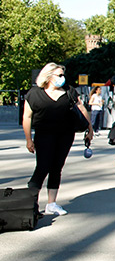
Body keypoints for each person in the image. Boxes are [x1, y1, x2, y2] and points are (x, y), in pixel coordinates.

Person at [22, 63, 93, 216]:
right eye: (59, 75)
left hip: (65, 135)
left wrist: (90, 128)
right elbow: (27, 117)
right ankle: (30, 203)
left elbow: (81, 108)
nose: (63, 78)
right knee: (42, 167)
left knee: (57, 167)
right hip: (44, 135)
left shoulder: (69, 91)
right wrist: (28, 139)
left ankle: (51, 204)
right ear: (48, 76)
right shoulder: (34, 94)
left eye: (63, 75)